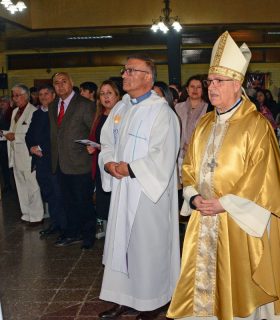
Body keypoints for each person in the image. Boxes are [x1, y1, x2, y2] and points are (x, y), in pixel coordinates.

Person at [167, 31, 280, 320]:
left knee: (241, 287)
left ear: (238, 84)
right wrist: (193, 198)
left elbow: (262, 177)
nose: (212, 87)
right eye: (210, 81)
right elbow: (190, 166)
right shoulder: (205, 123)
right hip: (203, 218)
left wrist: (225, 203)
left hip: (240, 222)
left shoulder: (257, 125)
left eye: (219, 81)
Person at [97, 54, 181, 320]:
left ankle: (152, 300)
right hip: (123, 190)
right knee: (121, 245)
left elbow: (163, 155)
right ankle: (123, 297)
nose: (124, 75)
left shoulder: (161, 112)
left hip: (146, 191)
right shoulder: (122, 108)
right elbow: (106, 140)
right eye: (124, 70)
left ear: (147, 77)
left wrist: (130, 168)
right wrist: (109, 162)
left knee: (147, 247)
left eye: (130, 70)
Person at [49, 72, 96, 248]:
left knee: (83, 202)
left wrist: (93, 147)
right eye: (56, 83)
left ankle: (88, 236)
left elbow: (93, 131)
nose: (60, 85)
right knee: (66, 202)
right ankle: (72, 233)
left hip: (80, 162)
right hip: (60, 163)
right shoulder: (53, 105)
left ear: (71, 83)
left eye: (64, 81)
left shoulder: (84, 105)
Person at [25, 84, 66, 236]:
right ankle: (55, 224)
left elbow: (58, 137)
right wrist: (31, 147)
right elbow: (28, 135)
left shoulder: (58, 113)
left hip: (54, 160)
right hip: (39, 161)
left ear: (53, 95)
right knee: (48, 194)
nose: (43, 97)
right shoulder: (37, 113)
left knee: (58, 194)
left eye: (46, 94)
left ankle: (64, 226)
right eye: (40, 94)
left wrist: (41, 148)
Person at [5, 84, 44, 225]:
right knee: (20, 186)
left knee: (32, 186)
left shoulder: (33, 111)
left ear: (26, 96)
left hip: (28, 155)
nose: (15, 99)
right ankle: (26, 214)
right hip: (16, 155)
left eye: (17, 95)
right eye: (13, 96)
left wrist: (15, 136)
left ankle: (36, 216)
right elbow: (11, 131)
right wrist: (5, 135)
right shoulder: (15, 111)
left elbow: (33, 135)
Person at [86, 80, 120, 229]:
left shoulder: (123, 114)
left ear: (117, 95)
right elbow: (96, 137)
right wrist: (92, 147)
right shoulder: (99, 115)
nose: (106, 97)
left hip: (117, 166)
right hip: (102, 165)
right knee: (104, 204)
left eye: (109, 93)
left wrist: (103, 147)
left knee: (117, 205)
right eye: (102, 94)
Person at [0, 96, 13, 193]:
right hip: (1, 145)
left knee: (11, 167)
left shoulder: (12, 113)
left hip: (10, 144)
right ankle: (7, 184)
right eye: (1, 102)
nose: (2, 103)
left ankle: (13, 185)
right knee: (4, 166)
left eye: (4, 101)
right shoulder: (1, 113)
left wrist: (3, 132)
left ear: (9, 103)